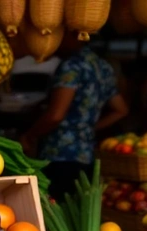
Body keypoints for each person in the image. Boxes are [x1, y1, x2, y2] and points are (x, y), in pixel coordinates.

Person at [20, 35, 128, 199]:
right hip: (86, 155)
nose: (53, 43)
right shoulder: (102, 66)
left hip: (60, 155)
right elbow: (121, 110)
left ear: (75, 36)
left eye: (59, 36)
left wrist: (29, 136)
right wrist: (88, 127)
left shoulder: (72, 66)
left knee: (55, 211)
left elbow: (56, 115)